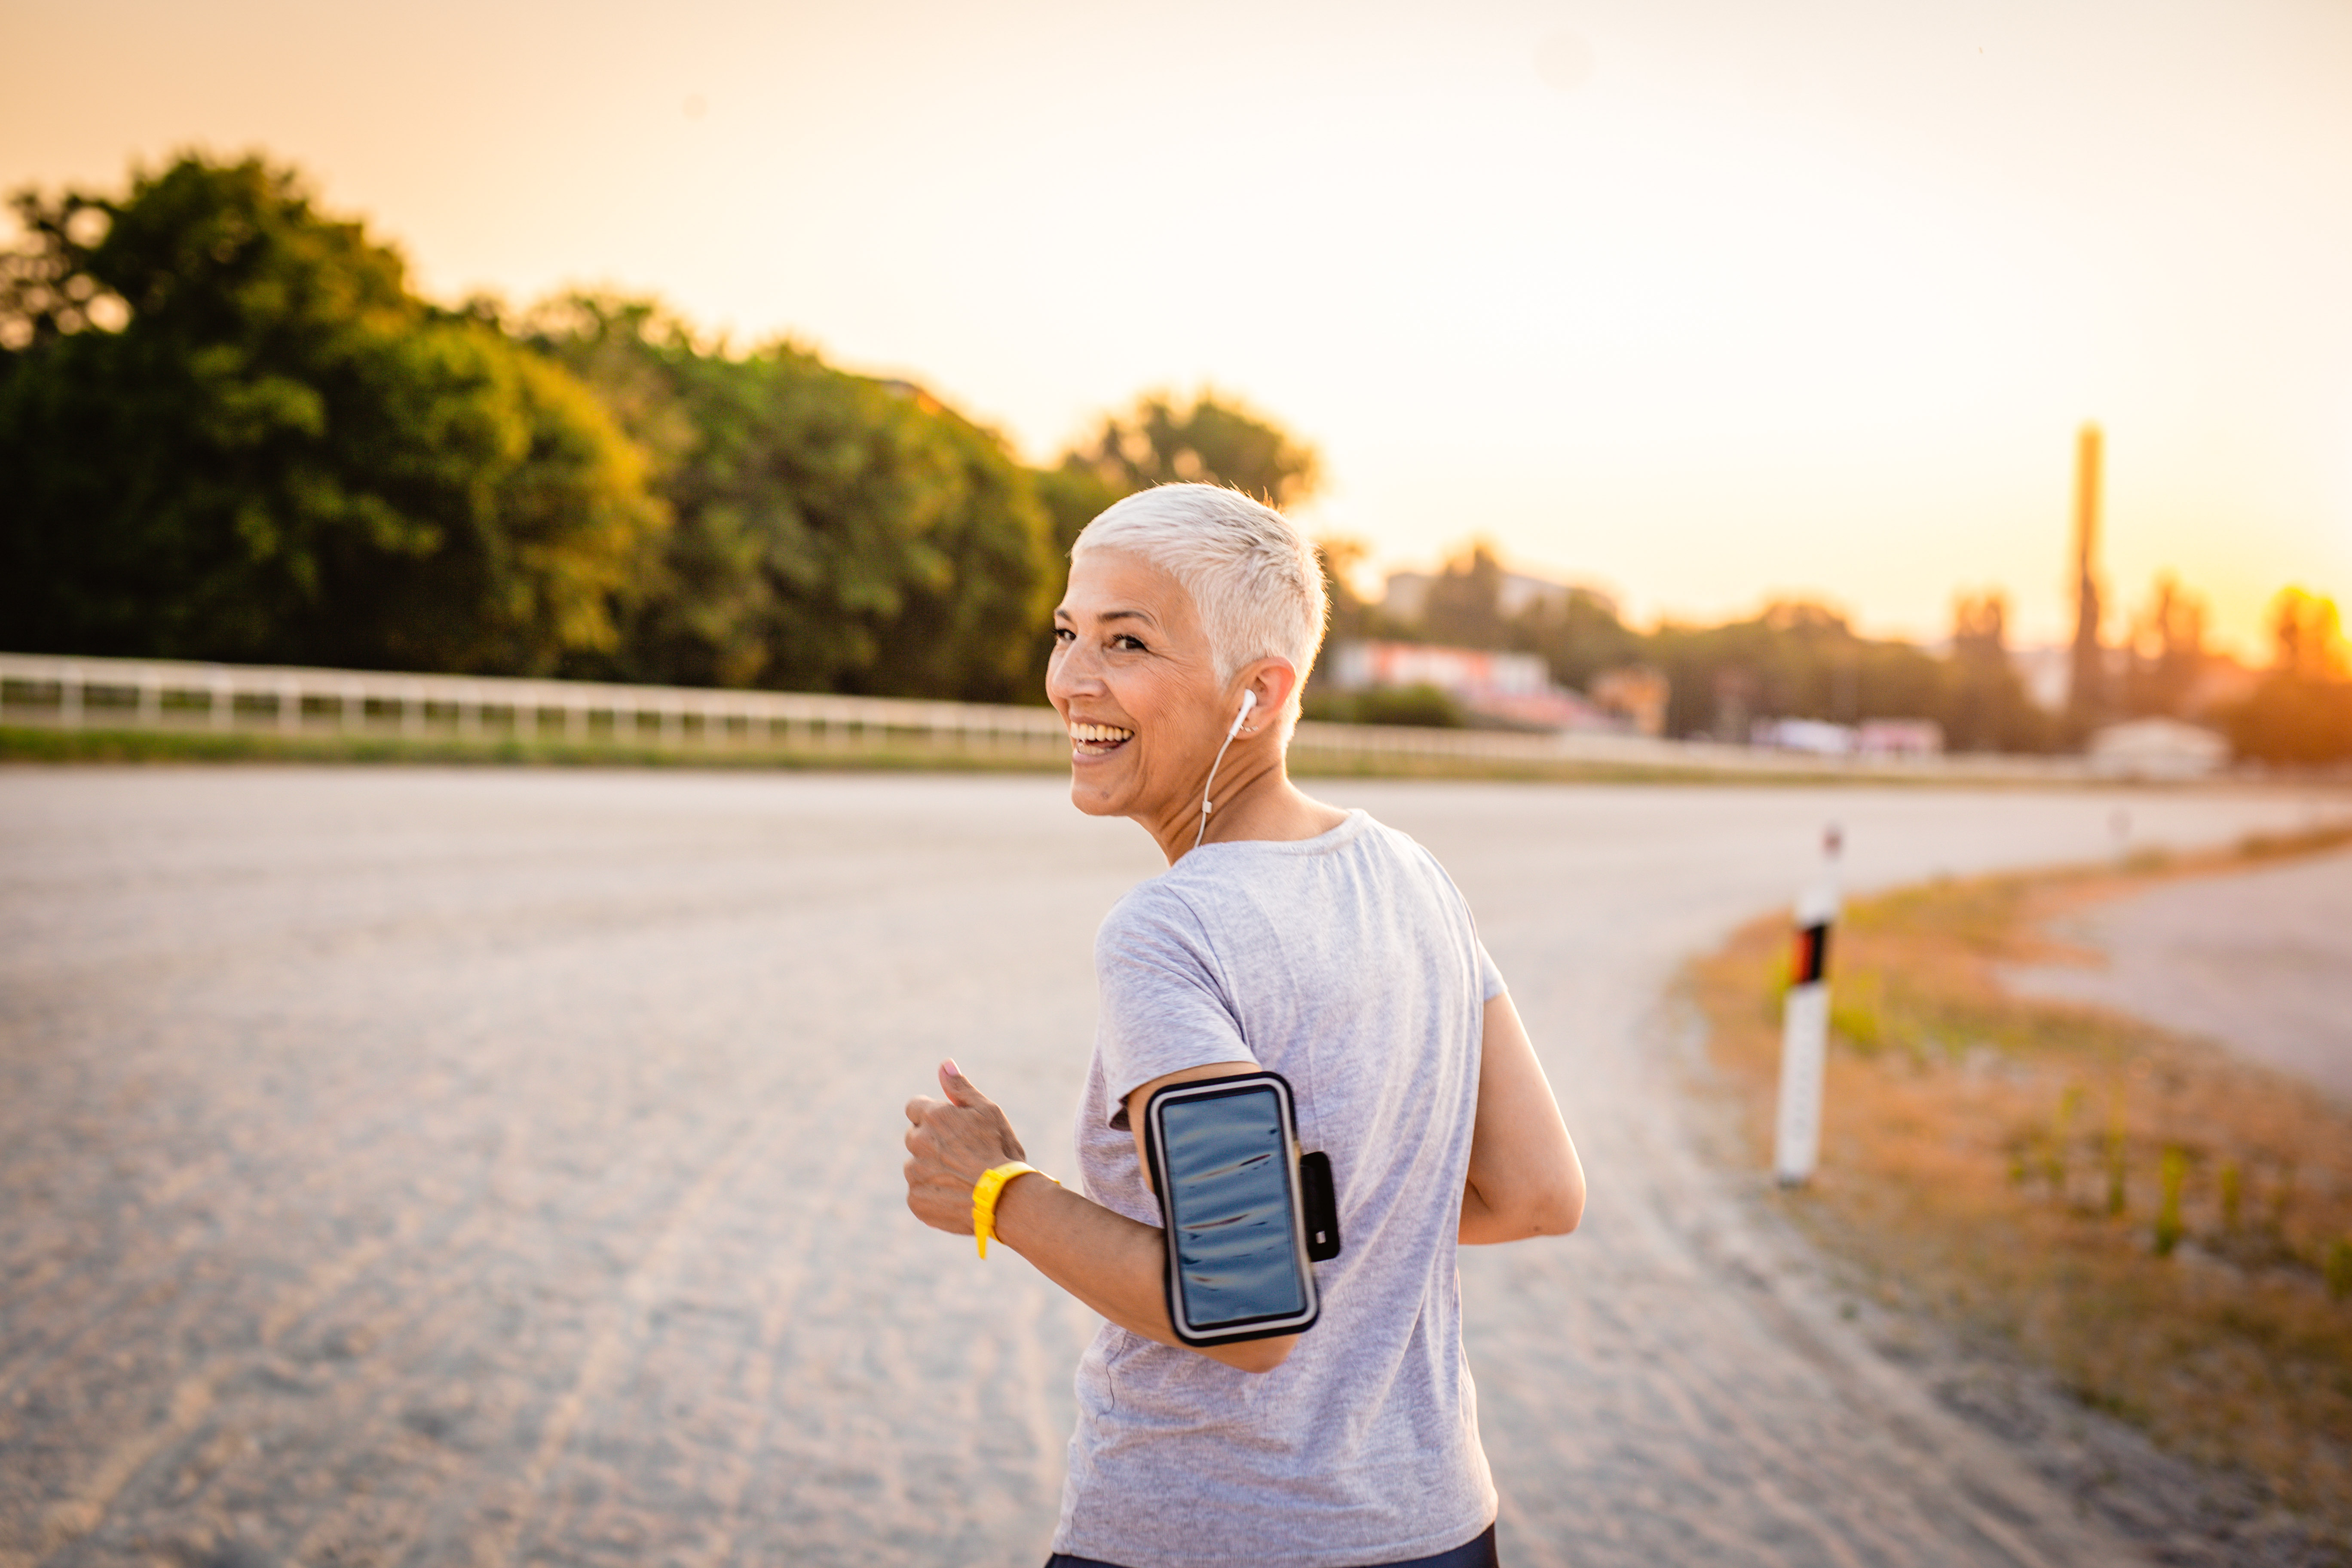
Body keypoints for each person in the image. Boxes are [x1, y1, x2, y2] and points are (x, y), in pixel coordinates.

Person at [902, 484, 1585, 1568]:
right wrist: (1326, 1220)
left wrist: (999, 1194)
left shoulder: (1172, 930)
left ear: (1259, 693)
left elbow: (1252, 1317)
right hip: (1442, 1526)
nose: (1072, 678)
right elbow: (1539, 1194)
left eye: (1127, 642)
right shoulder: (1415, 878)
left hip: (1210, 1533)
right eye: (1068, 631)